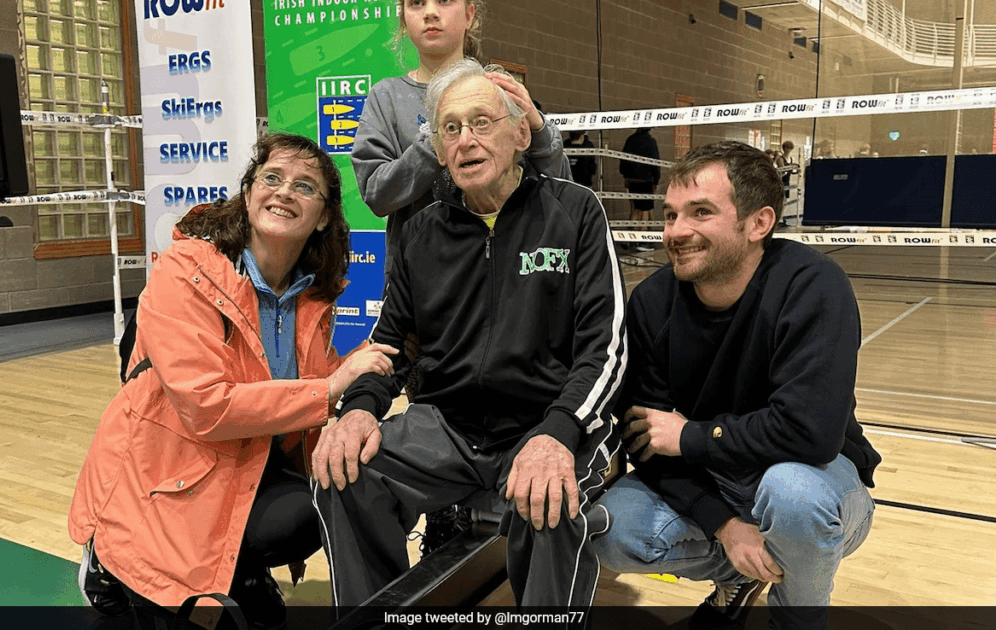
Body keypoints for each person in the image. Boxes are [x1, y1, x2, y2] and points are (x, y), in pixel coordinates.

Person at [312, 59, 627, 611]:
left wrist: (559, 431)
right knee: (344, 472)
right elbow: (389, 338)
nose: (465, 140)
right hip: (448, 427)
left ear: (520, 134)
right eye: (450, 129)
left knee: (549, 496)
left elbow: (606, 344)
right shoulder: (421, 233)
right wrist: (359, 408)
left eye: (481, 122)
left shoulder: (574, 211)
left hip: (546, 417)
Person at [68, 133, 399, 629]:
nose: (285, 192)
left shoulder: (311, 295)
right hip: (168, 469)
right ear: (248, 194)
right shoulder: (185, 271)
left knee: (320, 504)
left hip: (247, 458)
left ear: (324, 216)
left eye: (305, 186)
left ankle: (237, 569)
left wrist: (357, 381)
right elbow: (206, 405)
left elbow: (305, 382)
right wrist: (330, 390)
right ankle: (109, 562)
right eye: (272, 178)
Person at [594, 141, 880, 630]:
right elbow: (645, 439)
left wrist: (691, 436)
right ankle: (741, 572)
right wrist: (724, 526)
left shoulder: (814, 287)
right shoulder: (653, 303)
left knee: (790, 495)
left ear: (758, 223)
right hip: (715, 481)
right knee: (611, 530)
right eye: (670, 215)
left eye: (700, 212)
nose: (677, 232)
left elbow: (811, 434)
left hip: (814, 483)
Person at [351, 0, 570, 280]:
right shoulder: (386, 97)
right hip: (421, 279)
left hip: (506, 271)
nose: (430, 12)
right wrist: (438, 137)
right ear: (404, 22)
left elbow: (562, 187)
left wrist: (538, 129)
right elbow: (377, 195)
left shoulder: (498, 88)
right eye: (416, 3)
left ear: (469, 15)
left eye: (444, 1)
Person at [619, 127, 660, 251]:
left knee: (636, 209)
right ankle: (643, 242)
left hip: (632, 180)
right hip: (645, 180)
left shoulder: (630, 140)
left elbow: (623, 160)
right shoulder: (651, 142)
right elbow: (655, 162)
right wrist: (656, 180)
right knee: (645, 211)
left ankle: (628, 238)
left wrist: (626, 176)